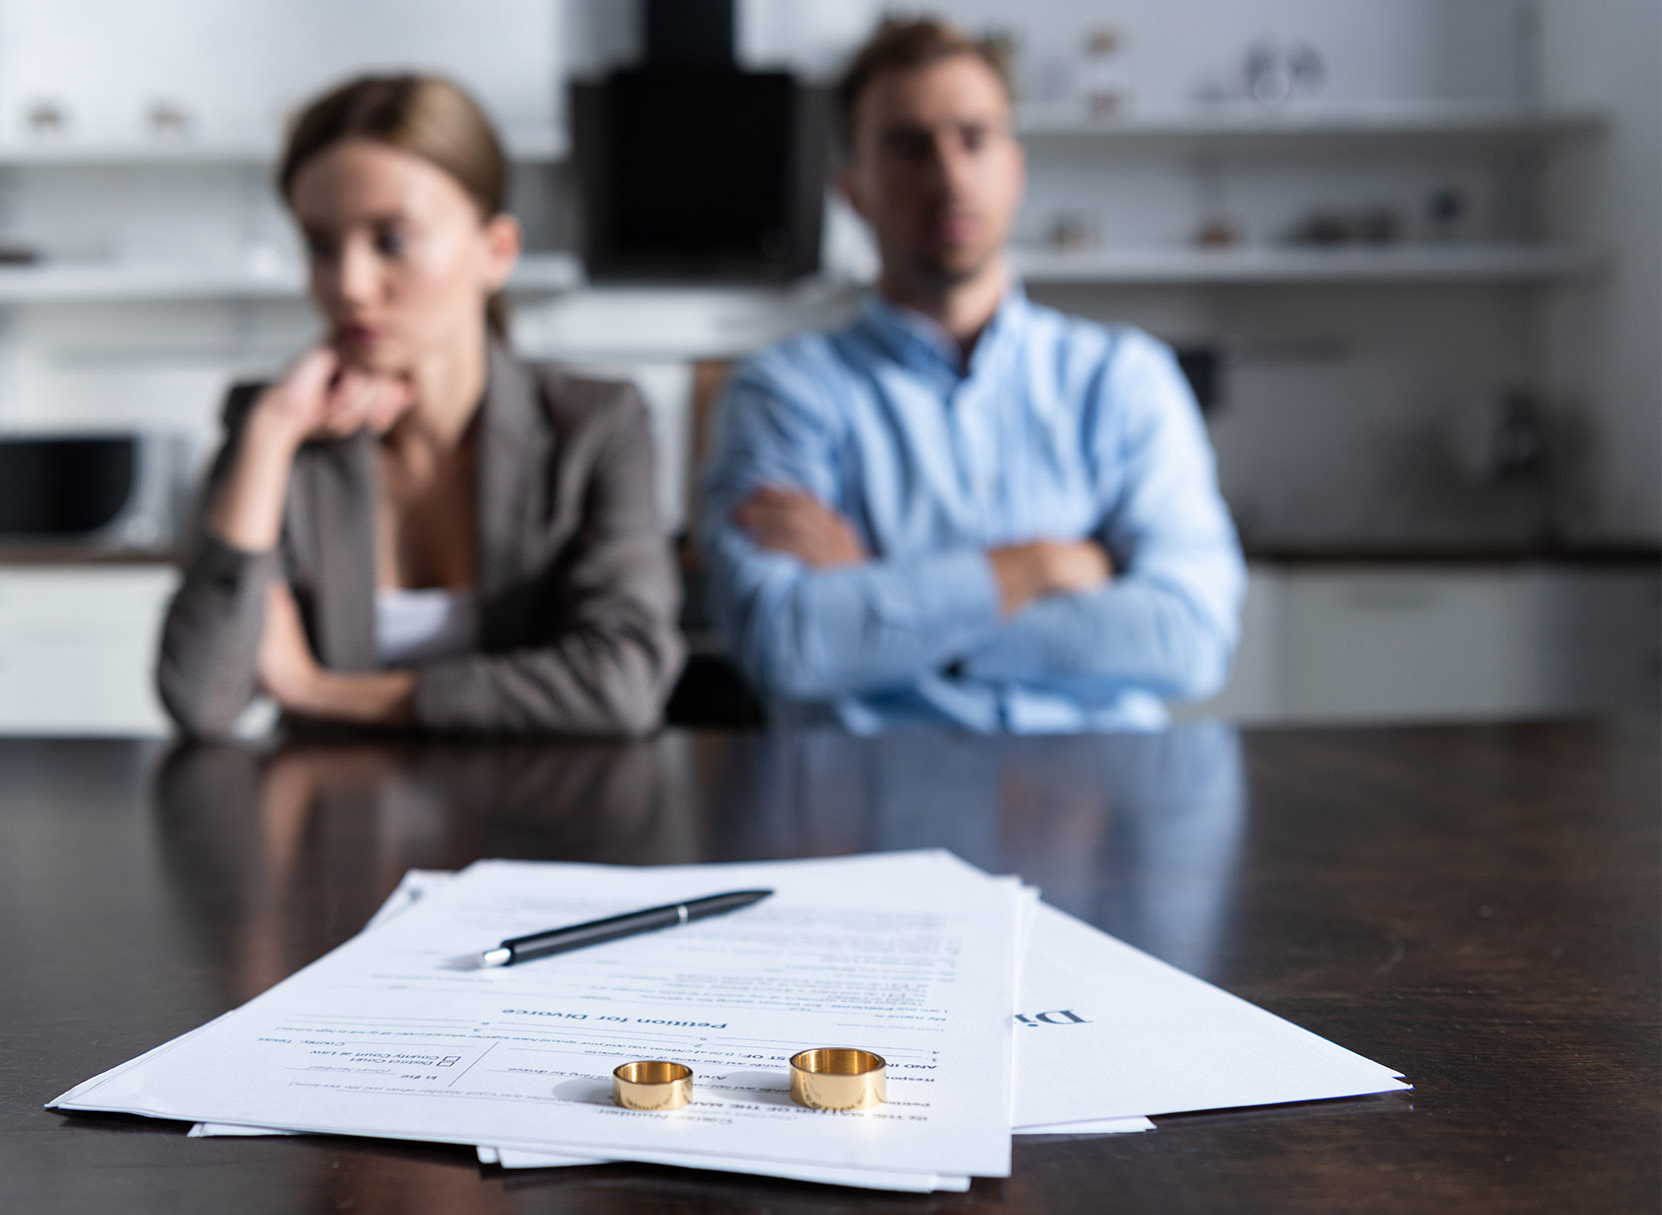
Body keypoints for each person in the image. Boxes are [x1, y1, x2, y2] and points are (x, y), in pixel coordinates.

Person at [701, 17, 1246, 733]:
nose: (949, 176)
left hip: (1100, 810)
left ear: (1015, 166)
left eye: (975, 139)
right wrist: (1038, 569)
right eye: (906, 147)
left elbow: (1191, 637)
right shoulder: (783, 393)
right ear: (853, 191)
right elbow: (788, 642)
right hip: (869, 810)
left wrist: (882, 608)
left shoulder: (1124, 380)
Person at [158, 75, 683, 739]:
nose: (348, 286)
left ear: (495, 252)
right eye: (321, 245)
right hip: (334, 830)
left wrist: (321, 693)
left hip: (535, 825)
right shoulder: (276, 427)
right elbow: (200, 699)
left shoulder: (595, 425)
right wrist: (271, 434)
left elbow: (625, 684)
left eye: (392, 241)